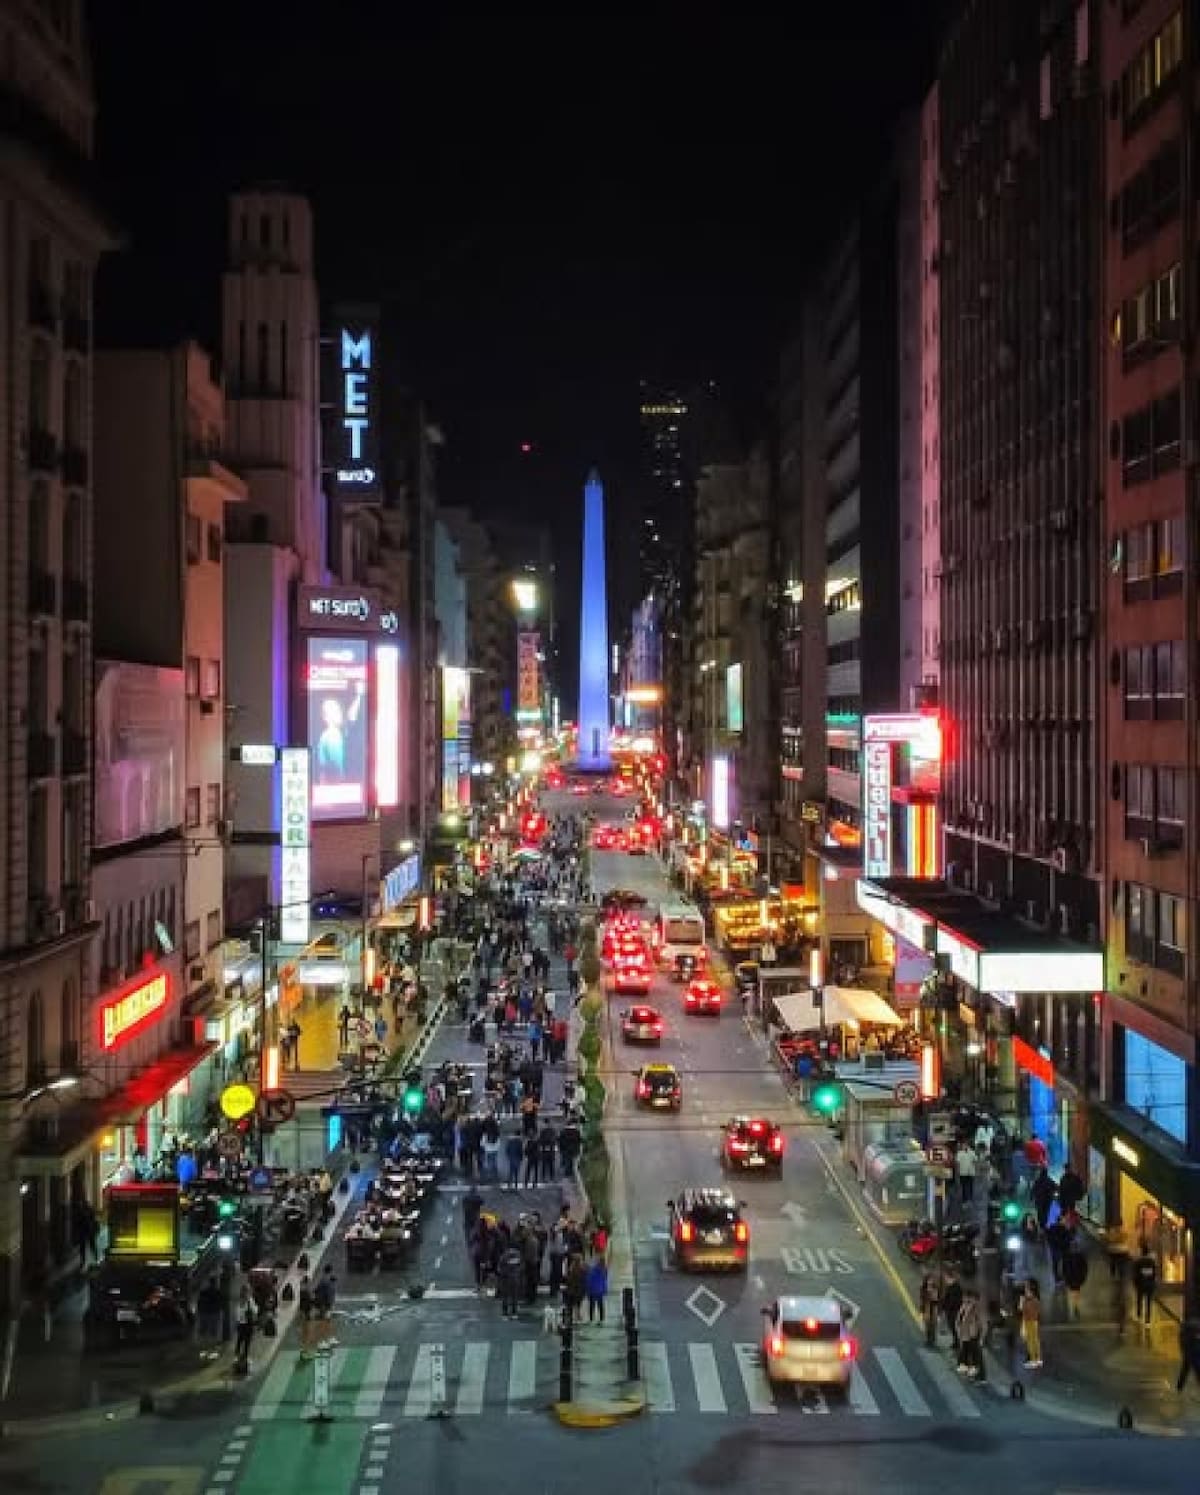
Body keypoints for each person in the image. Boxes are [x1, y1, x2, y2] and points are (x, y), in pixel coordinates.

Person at [1132, 1241, 1157, 1325]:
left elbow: (1135, 1274)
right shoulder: (1152, 1262)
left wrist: (1135, 1283)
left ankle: (1139, 1316)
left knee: (1139, 1300)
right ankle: (1148, 1320)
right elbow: (1154, 1274)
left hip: (1141, 1284)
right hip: (1150, 1284)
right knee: (1149, 1302)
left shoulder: (1138, 1262)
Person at [1020, 1278, 1043, 1369]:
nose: (1025, 1288)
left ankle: (1034, 1359)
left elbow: (1025, 1310)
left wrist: (1023, 1303)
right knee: (1034, 1340)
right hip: (1032, 1321)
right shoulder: (1033, 1299)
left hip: (1030, 1321)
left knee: (1031, 1341)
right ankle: (1037, 1359)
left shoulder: (1031, 1300)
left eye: (1026, 1286)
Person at [498, 1242, 524, 1320]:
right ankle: (514, 1313)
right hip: (515, 1278)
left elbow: (499, 1268)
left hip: (505, 1279)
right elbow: (522, 1266)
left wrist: (503, 1273)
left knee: (505, 1297)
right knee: (514, 1297)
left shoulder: (504, 1255)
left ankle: (505, 1313)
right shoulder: (519, 1255)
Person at [1062, 1243, 1088, 1319]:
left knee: (1073, 1292)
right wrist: (1083, 1277)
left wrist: (1065, 1278)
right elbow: (1085, 1268)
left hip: (1071, 1278)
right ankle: (1075, 1305)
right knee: (1076, 1292)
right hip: (1077, 1278)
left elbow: (1064, 1269)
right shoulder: (1080, 1257)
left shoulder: (1067, 1257)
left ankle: (1074, 1305)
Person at [234, 1285, 257, 1369]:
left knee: (240, 1340)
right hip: (247, 1324)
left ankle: (237, 1357)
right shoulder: (249, 1300)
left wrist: (239, 1320)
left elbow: (237, 1313)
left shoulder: (240, 1300)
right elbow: (255, 1310)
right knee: (246, 1341)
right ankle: (244, 1358)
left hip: (241, 1324)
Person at [1175, 1317, 1200, 1392]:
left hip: (1190, 1351)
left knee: (1187, 1367)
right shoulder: (1191, 1330)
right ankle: (1179, 1387)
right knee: (1194, 1368)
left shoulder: (1187, 1330)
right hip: (1192, 1351)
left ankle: (1179, 1387)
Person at [942, 1273, 964, 1351]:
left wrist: (946, 1307)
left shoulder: (955, 1288)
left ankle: (957, 1343)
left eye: (946, 1278)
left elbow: (953, 1300)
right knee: (952, 1327)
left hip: (954, 1312)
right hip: (951, 1311)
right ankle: (956, 1342)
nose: (945, 1280)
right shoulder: (951, 1287)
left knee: (954, 1327)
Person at [585, 1254, 609, 1323]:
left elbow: (589, 1279)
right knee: (600, 1305)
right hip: (600, 1291)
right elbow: (604, 1280)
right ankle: (601, 1319)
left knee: (592, 1305)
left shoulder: (593, 1270)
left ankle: (591, 1319)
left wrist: (587, 1289)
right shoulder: (604, 1270)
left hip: (592, 1290)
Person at [919, 1271, 940, 1348]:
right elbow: (922, 1300)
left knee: (933, 1325)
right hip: (927, 1308)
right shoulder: (923, 1289)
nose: (930, 1282)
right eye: (929, 1280)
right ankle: (928, 1340)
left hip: (933, 1308)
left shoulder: (935, 1289)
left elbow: (937, 1300)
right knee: (927, 1325)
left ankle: (932, 1341)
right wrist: (921, 1310)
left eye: (931, 1280)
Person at [956, 1141, 977, 1207]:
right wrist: (958, 1172)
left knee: (970, 1186)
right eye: (963, 1145)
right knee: (964, 1187)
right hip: (963, 1172)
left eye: (965, 1145)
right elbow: (958, 1163)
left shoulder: (972, 1152)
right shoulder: (959, 1153)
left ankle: (970, 1200)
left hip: (971, 1172)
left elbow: (975, 1161)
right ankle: (964, 1201)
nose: (964, 1146)